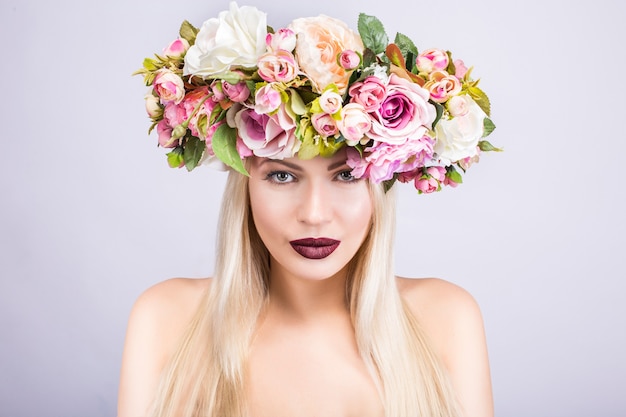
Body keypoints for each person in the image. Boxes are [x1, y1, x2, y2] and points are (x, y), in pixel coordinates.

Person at [120, 3, 497, 416]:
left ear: (381, 184)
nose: (315, 214)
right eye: (283, 176)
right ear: (243, 182)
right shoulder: (165, 321)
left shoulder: (445, 320)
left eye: (347, 175)